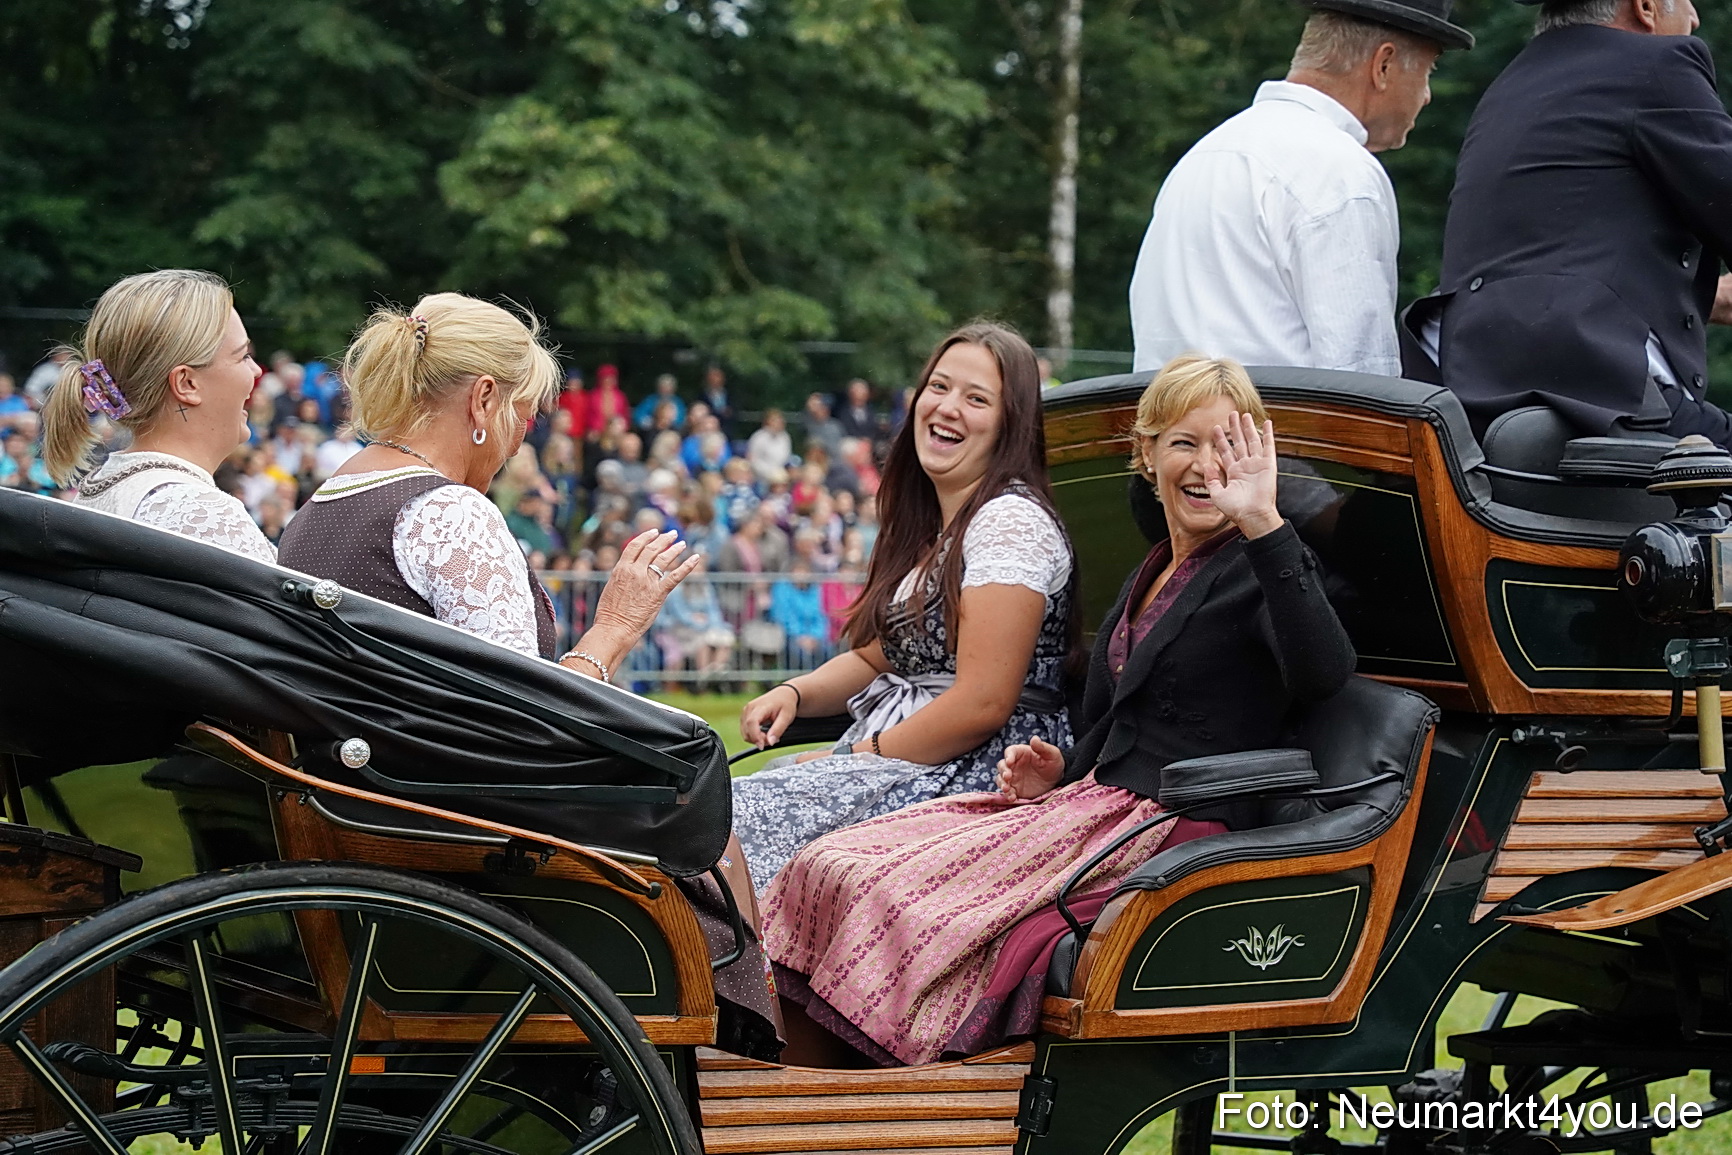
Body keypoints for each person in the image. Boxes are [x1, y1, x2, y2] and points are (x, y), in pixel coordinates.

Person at [761, 355, 1356, 1066]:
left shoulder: (1260, 561)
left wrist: (1265, 522)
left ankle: (882, 1098)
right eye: (1184, 444)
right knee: (830, 861)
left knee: (894, 891)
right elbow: (1124, 717)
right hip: (1091, 803)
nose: (1205, 466)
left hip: (1173, 823)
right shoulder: (1156, 565)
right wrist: (1059, 768)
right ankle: (801, 1096)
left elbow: (1324, 673)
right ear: (1147, 453)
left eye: (1226, 445)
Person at [732, 322, 1079, 893]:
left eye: (976, 398)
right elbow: (876, 659)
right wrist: (794, 693)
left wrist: (854, 758)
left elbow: (983, 702)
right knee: (726, 803)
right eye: (938, 387)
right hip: (912, 753)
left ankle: (744, 981)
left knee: (739, 819)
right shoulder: (933, 529)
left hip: (982, 766)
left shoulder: (1009, 522)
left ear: (1009, 423)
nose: (947, 408)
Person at [278, 293, 699, 673]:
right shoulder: (449, 513)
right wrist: (612, 631)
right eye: (522, 416)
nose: (518, 444)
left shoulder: (326, 496)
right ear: (483, 401)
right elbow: (523, 724)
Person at [1410, 0, 1732, 444]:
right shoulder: (1657, 63)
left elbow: (1552, 260)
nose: (1695, 17)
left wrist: (1704, 298)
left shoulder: (1510, 85)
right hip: (1593, 383)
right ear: (1646, 7)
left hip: (1466, 378)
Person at [1128, 0, 1472, 376]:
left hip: (1167, 428)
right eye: (1428, 71)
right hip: (1279, 431)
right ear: (1383, 65)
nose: (1426, 95)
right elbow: (1361, 378)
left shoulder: (1205, 154)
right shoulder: (1340, 170)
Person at [40, 269, 275, 563]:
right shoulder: (201, 515)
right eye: (243, 356)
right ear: (187, 384)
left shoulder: (107, 489)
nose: (255, 372)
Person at [747, 408, 792, 483]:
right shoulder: (758, 437)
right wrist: (768, 472)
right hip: (762, 474)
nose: (778, 423)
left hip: (780, 471)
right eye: (774, 420)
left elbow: (787, 456)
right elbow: (753, 459)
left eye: (779, 420)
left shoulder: (785, 437)